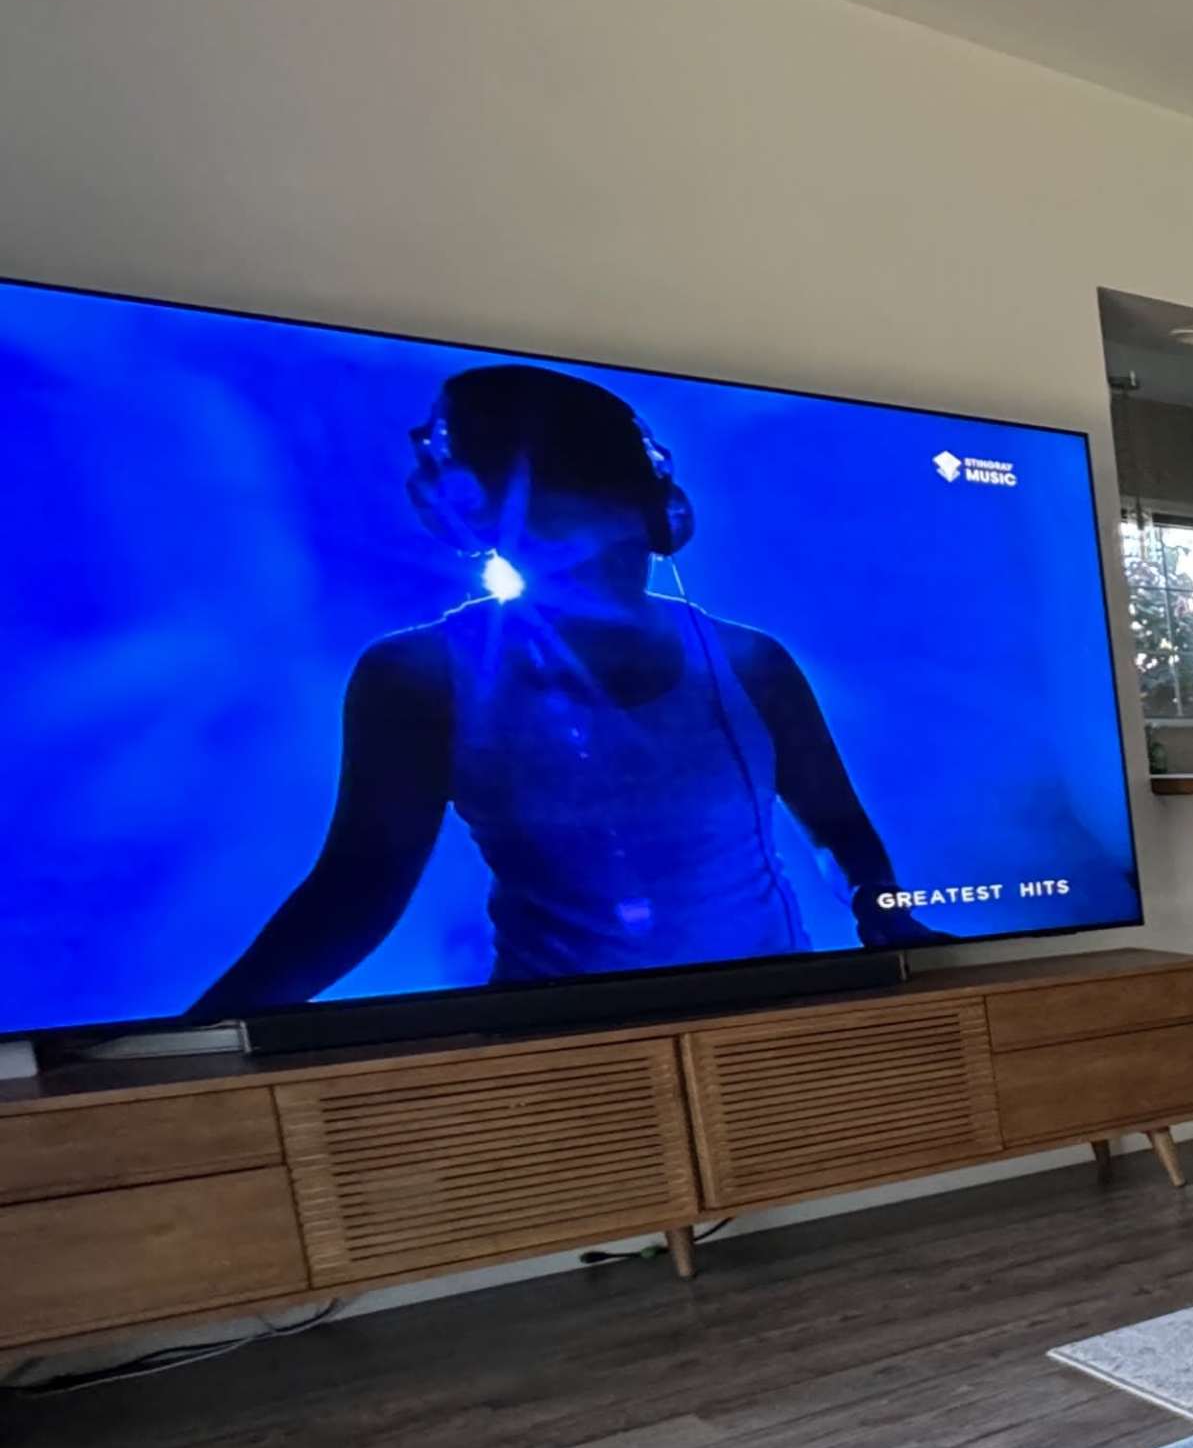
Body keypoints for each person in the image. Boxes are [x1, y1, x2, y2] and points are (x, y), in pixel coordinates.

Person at [196, 363, 930, 1013]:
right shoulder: (417, 678)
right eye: (560, 505)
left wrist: (887, 916)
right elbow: (358, 890)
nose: (590, 541)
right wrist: (196, 1039)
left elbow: (839, 828)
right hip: (561, 1051)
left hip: (777, 1025)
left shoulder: (751, 664)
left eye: (600, 503)